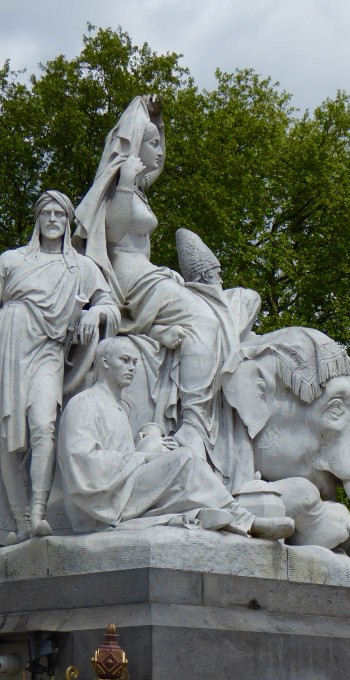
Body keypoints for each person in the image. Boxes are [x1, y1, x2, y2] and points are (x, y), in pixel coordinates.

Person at [73, 96, 238, 466]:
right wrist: (128, 179)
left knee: (213, 308)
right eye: (152, 144)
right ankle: (193, 425)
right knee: (205, 320)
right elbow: (113, 232)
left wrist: (158, 122)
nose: (160, 152)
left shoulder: (140, 188)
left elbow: (157, 163)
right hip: (134, 281)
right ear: (135, 147)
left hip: (151, 276)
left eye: (160, 144)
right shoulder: (121, 187)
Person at [0, 190, 120, 543]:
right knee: (8, 437)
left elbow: (110, 305)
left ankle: (37, 512)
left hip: (49, 351)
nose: (53, 220)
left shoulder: (81, 267)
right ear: (37, 219)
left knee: (43, 425)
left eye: (60, 215)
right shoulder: (11, 261)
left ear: (68, 222)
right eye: (46, 213)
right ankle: (21, 522)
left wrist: (94, 312)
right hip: (7, 347)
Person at [58, 336, 294, 540]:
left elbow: (124, 459)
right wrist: (142, 456)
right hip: (101, 503)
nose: (132, 367)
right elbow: (82, 465)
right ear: (105, 362)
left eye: (135, 362)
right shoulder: (84, 403)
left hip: (122, 490)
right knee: (185, 460)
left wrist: (150, 452)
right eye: (125, 360)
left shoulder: (120, 409)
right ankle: (246, 520)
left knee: (181, 465)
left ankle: (234, 520)